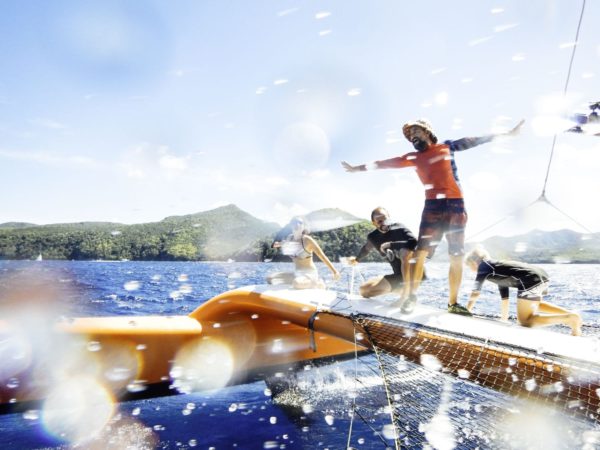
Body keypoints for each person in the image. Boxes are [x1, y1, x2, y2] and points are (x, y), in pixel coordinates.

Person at [342, 118, 524, 315]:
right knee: (419, 254)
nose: (412, 136)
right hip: (432, 207)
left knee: (456, 256)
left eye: (415, 132)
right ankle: (411, 296)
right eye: (409, 136)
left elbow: (477, 140)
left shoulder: (448, 147)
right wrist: (356, 168)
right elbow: (383, 164)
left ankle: (453, 303)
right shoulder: (412, 157)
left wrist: (508, 134)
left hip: (455, 207)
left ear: (427, 131)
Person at [464, 246, 582, 336]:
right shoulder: (496, 268)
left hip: (530, 279)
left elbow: (476, 292)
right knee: (535, 305)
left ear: (474, 263)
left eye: (469, 266)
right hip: (541, 275)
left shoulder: (483, 267)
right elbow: (505, 298)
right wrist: (504, 320)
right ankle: (573, 315)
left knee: (525, 321)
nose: (471, 269)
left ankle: (569, 319)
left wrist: (466, 311)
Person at [346, 207, 417, 303]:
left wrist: (391, 244)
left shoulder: (400, 228)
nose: (383, 223)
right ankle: (400, 290)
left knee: (405, 251)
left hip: (412, 275)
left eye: (385, 219)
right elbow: (366, 248)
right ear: (374, 223)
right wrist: (357, 259)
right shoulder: (373, 237)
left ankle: (406, 294)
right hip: (398, 276)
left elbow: (414, 242)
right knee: (364, 290)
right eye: (379, 221)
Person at [267, 217, 340, 289]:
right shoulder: (290, 238)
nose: (297, 224)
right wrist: (278, 244)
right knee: (270, 279)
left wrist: (335, 271)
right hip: (297, 274)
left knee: (296, 283)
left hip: (309, 274)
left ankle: (318, 283)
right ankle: (301, 282)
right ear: (291, 226)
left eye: (300, 222)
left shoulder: (307, 240)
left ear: (303, 227)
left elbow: (322, 256)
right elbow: (284, 243)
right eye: (295, 222)